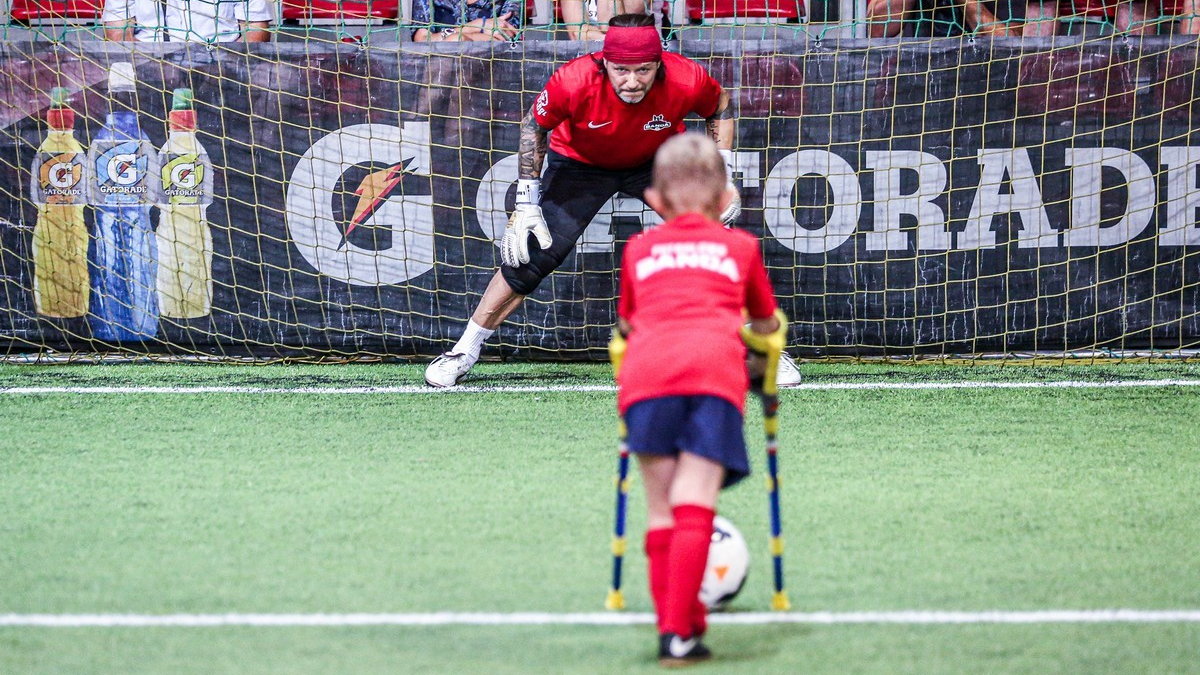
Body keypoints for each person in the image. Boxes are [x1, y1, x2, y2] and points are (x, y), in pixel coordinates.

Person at [424, 12, 802, 387]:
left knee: (716, 240)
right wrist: (526, 203)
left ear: (659, 64)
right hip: (580, 165)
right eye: (622, 70)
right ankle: (464, 351)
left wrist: (723, 173)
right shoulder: (573, 80)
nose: (633, 81)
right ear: (604, 63)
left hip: (657, 160)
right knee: (531, 256)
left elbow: (720, 105)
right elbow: (534, 125)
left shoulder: (686, 77)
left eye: (644, 70)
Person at [608, 132, 787, 666]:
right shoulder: (741, 247)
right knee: (695, 504)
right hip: (711, 375)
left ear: (654, 201)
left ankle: (675, 632)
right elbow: (765, 324)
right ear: (726, 198)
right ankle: (681, 633)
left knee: (661, 509)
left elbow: (626, 323)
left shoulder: (638, 250)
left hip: (647, 379)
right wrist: (764, 358)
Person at [103, 0, 273, 42]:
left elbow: (256, 29)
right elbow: (118, 34)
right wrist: (149, 64)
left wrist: (226, 64)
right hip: (149, 65)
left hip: (223, 64)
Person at [410, 0, 522, 41]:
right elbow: (422, 40)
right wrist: (476, 26)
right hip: (438, 67)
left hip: (492, 69)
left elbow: (504, 38)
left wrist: (458, 38)